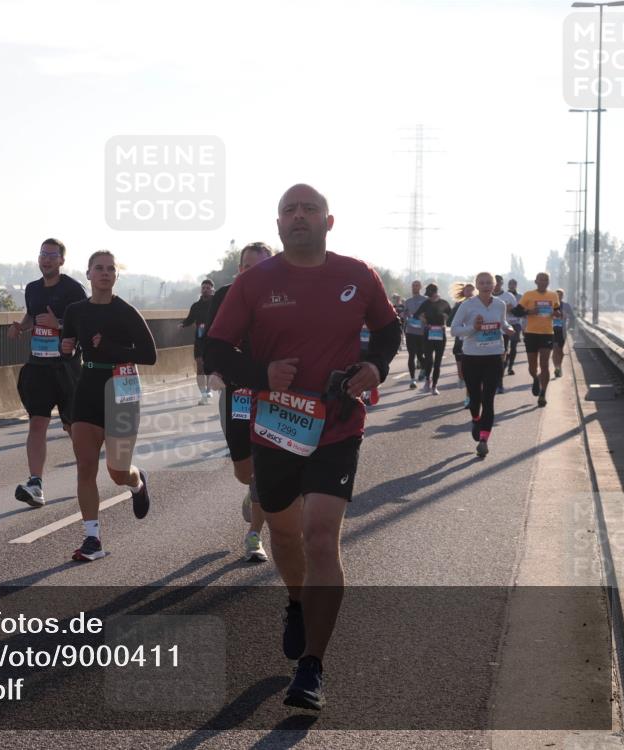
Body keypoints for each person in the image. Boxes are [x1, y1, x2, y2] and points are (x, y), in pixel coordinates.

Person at [205, 183, 401, 711]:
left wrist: (375, 366)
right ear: (277, 224)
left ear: (328, 222)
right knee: (286, 536)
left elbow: (388, 331)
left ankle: (312, 667)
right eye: (289, 210)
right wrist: (260, 373)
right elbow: (215, 347)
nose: (298, 217)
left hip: (337, 423)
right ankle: (296, 600)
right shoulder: (253, 283)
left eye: (308, 209)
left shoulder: (357, 275)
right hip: (274, 426)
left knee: (319, 538)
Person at [61, 251, 157, 561]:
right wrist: (66, 349)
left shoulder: (125, 312)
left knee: (116, 471)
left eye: (110, 269)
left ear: (116, 276)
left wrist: (110, 348)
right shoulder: (76, 310)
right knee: (85, 467)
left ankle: (136, 481)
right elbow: (70, 346)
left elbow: (149, 354)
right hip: (88, 387)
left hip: (122, 389)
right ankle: (92, 539)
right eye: (98, 268)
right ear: (88, 274)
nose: (104, 273)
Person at [204, 242, 274, 562]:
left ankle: (254, 535)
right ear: (240, 269)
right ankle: (250, 487)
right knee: (243, 468)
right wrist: (215, 371)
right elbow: (215, 341)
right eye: (248, 266)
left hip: (274, 391)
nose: (255, 272)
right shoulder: (225, 295)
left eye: (263, 266)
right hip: (238, 390)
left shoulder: (285, 297)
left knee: (264, 465)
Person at [8, 238, 88, 507]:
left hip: (66, 368)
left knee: (72, 427)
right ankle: (35, 484)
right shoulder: (32, 289)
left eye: (53, 255)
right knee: (37, 423)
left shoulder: (73, 290)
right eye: (43, 254)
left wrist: (60, 323)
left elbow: (84, 325)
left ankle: (87, 474)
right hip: (38, 366)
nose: (47, 259)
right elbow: (33, 316)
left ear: (62, 261)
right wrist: (20, 327)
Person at [450, 272, 514, 457]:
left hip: (494, 356)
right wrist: (473, 328)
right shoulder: (467, 305)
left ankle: (484, 440)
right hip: (472, 357)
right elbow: (454, 330)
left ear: (494, 286)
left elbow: (502, 323)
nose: (486, 285)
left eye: (489, 283)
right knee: (475, 399)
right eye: (482, 283)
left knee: (489, 399)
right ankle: (475, 419)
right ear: (477, 285)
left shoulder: (500, 304)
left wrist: (508, 329)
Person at [513, 273, 560, 408]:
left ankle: (543, 394)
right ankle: (535, 378)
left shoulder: (553, 295)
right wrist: (529, 312)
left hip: (547, 333)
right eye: (541, 280)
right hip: (531, 333)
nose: (544, 282)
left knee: (544, 364)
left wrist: (557, 314)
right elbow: (516, 312)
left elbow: (557, 311)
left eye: (546, 280)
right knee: (532, 367)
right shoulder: (528, 295)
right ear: (536, 281)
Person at [180, 280, 216, 404]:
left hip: (213, 340)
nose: (205, 289)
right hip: (200, 340)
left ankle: (209, 389)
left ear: (212, 290)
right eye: (203, 287)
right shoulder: (196, 305)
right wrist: (183, 324)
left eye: (208, 287)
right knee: (200, 366)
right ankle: (203, 395)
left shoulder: (216, 304)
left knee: (210, 367)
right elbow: (190, 319)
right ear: (201, 290)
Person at [417, 283, 453, 395]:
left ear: (435, 293)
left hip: (440, 335)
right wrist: (424, 321)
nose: (429, 297)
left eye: (430, 294)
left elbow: (451, 317)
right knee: (429, 360)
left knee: (437, 362)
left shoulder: (444, 303)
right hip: (428, 334)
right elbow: (417, 315)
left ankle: (434, 386)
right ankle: (428, 380)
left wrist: (445, 322)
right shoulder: (426, 303)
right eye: (428, 295)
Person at [449, 282, 476, 407]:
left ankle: (468, 398)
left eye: (472, 290)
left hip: (473, 342)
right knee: (462, 373)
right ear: (463, 292)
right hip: (460, 342)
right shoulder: (458, 305)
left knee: (470, 373)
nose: (469, 293)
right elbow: (449, 322)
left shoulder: (478, 304)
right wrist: (459, 322)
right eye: (467, 290)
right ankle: (461, 378)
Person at [493, 275, 517, 394]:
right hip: (488, 331)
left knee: (501, 357)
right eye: (495, 282)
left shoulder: (508, 296)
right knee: (490, 358)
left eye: (499, 282)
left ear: (502, 283)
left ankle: (499, 384)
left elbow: (517, 312)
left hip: (503, 331)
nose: (496, 285)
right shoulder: (485, 296)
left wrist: (510, 309)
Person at [402, 280, 427, 388]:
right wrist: (404, 315)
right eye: (413, 285)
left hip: (421, 332)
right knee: (411, 355)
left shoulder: (425, 300)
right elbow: (404, 313)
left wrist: (424, 318)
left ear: (420, 287)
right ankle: (412, 380)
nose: (414, 287)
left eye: (417, 285)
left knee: (420, 355)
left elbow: (430, 314)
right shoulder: (408, 301)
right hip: (410, 331)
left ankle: (423, 368)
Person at [552, 288, 575, 378]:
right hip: (552, 330)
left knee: (560, 351)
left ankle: (559, 366)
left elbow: (572, 317)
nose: (559, 296)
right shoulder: (551, 305)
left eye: (560, 295)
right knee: (554, 349)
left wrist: (569, 326)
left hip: (562, 330)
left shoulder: (566, 306)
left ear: (563, 296)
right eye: (557, 295)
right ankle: (556, 368)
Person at [504, 278, 523, 376]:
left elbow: (521, 311)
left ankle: (510, 367)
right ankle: (504, 363)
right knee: (504, 347)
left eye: (513, 284)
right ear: (508, 285)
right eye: (510, 284)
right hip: (505, 324)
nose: (512, 286)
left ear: (516, 285)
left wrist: (512, 309)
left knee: (514, 346)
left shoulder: (520, 296)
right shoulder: (504, 296)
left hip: (516, 323)